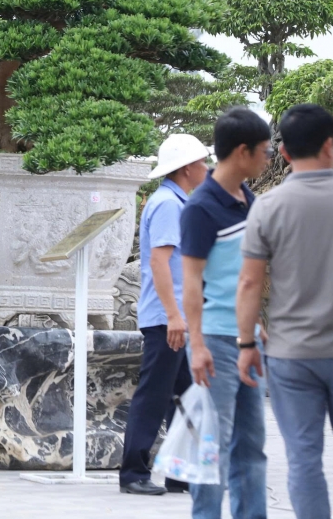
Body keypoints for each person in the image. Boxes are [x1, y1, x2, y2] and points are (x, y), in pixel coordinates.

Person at [235, 103, 333, 519]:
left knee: (304, 457)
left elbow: (250, 282)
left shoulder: (266, 208)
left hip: (292, 357)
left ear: (284, 152)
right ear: (332, 145)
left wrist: (247, 341)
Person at [180, 108, 272, 519]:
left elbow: (243, 274)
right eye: (265, 151)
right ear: (242, 152)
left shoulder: (247, 199)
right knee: (213, 446)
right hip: (215, 342)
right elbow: (192, 282)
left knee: (251, 445)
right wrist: (196, 344)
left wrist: (257, 324)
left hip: (247, 339)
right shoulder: (201, 207)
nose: (269, 158)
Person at [119, 133, 209, 496]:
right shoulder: (169, 204)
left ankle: (179, 471)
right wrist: (174, 317)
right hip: (166, 319)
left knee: (186, 394)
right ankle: (134, 473)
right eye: (202, 162)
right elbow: (158, 261)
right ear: (187, 168)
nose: (206, 168)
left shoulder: (174, 200)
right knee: (154, 395)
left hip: (176, 317)